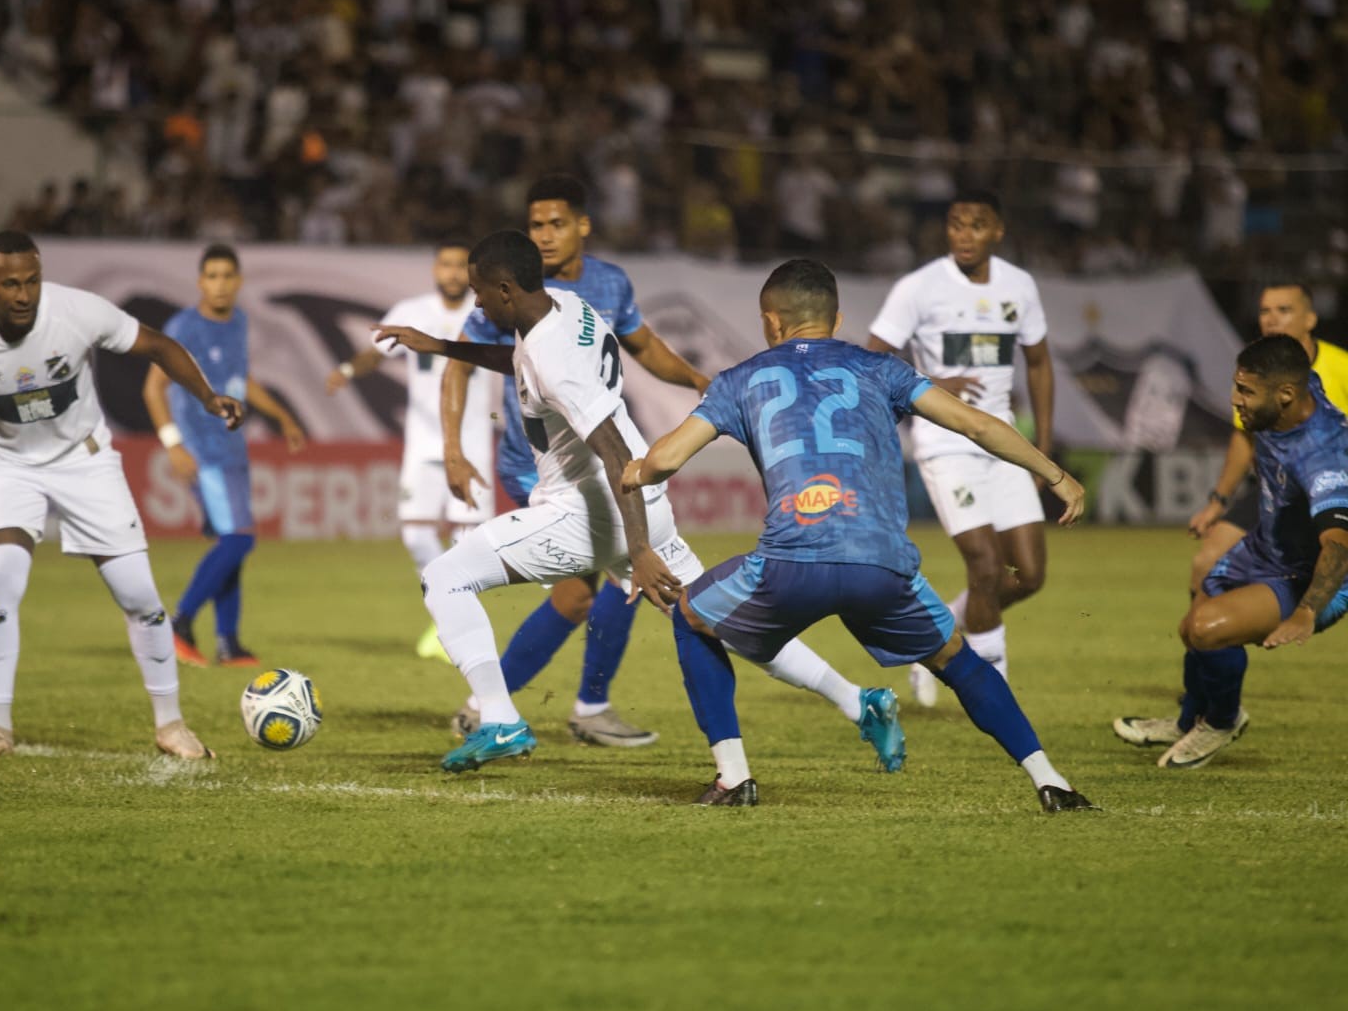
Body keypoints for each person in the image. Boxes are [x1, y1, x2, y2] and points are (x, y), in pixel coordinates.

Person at [377, 232, 906, 779]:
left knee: (445, 578)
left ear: (506, 288)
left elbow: (615, 449)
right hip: (641, 501)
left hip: (591, 512)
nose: (477, 302)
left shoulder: (553, 357)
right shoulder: (566, 307)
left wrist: (638, 550)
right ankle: (857, 700)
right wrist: (439, 346)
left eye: (480, 291)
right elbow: (519, 359)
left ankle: (500, 717)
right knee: (721, 618)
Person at [625, 259, 1097, 812]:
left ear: (770, 323)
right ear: (837, 317)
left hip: (790, 566)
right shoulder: (881, 370)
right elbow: (976, 424)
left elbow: (667, 459)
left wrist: (632, 470)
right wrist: (1056, 476)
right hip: (880, 567)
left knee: (691, 615)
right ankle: (1051, 780)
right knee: (957, 661)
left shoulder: (740, 379)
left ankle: (733, 778)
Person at [0, 230, 242, 760]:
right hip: (8, 465)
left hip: (84, 460)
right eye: (10, 285)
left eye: (31, 281)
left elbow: (158, 346)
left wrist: (208, 398)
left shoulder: (76, 311)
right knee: (1, 584)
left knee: (141, 598)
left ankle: (171, 726)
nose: (24, 295)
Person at [1112, 335, 1348, 769]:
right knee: (1192, 630)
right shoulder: (1294, 393)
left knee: (1207, 628)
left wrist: (1307, 611)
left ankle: (1220, 721)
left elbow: (1338, 544)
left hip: (1309, 578)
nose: (1234, 400)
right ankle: (1190, 721)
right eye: (1237, 386)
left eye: (1245, 391)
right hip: (1264, 550)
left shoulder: (1325, 457)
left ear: (1284, 395)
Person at [867, 189, 1054, 707]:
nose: (963, 235)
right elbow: (872, 360)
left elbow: (1038, 363)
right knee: (987, 568)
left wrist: (1042, 442)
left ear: (998, 231)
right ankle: (995, 694)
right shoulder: (919, 288)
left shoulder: (1020, 286)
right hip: (944, 442)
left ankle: (942, 630)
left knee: (1030, 574)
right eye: (954, 224)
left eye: (976, 225)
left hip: (1003, 441)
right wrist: (930, 383)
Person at [325, 241, 492, 660]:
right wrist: (347, 369)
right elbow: (375, 353)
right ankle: (448, 619)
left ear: (470, 272)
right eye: (446, 264)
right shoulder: (411, 310)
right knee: (416, 534)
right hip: (423, 442)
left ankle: (456, 626)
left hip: (472, 443)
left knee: (466, 543)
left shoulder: (486, 313)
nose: (452, 273)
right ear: (435, 269)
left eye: (460, 266)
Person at [142, 244, 306, 668]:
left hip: (233, 446)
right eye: (211, 276)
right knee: (239, 539)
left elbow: (240, 379)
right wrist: (173, 443)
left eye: (226, 276)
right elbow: (153, 387)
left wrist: (282, 415)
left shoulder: (238, 323)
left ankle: (228, 641)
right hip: (202, 449)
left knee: (232, 542)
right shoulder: (185, 326)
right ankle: (177, 624)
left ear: (238, 281)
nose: (219, 284)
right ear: (200, 282)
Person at [1185, 283, 1348, 596]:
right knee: (1206, 563)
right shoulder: (1254, 372)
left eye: (1283, 310)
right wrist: (1217, 502)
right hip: (1276, 497)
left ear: (1310, 319)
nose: (1271, 319)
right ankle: (1205, 641)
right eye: (1265, 311)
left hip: (1332, 498)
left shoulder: (1340, 367)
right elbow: (1244, 440)